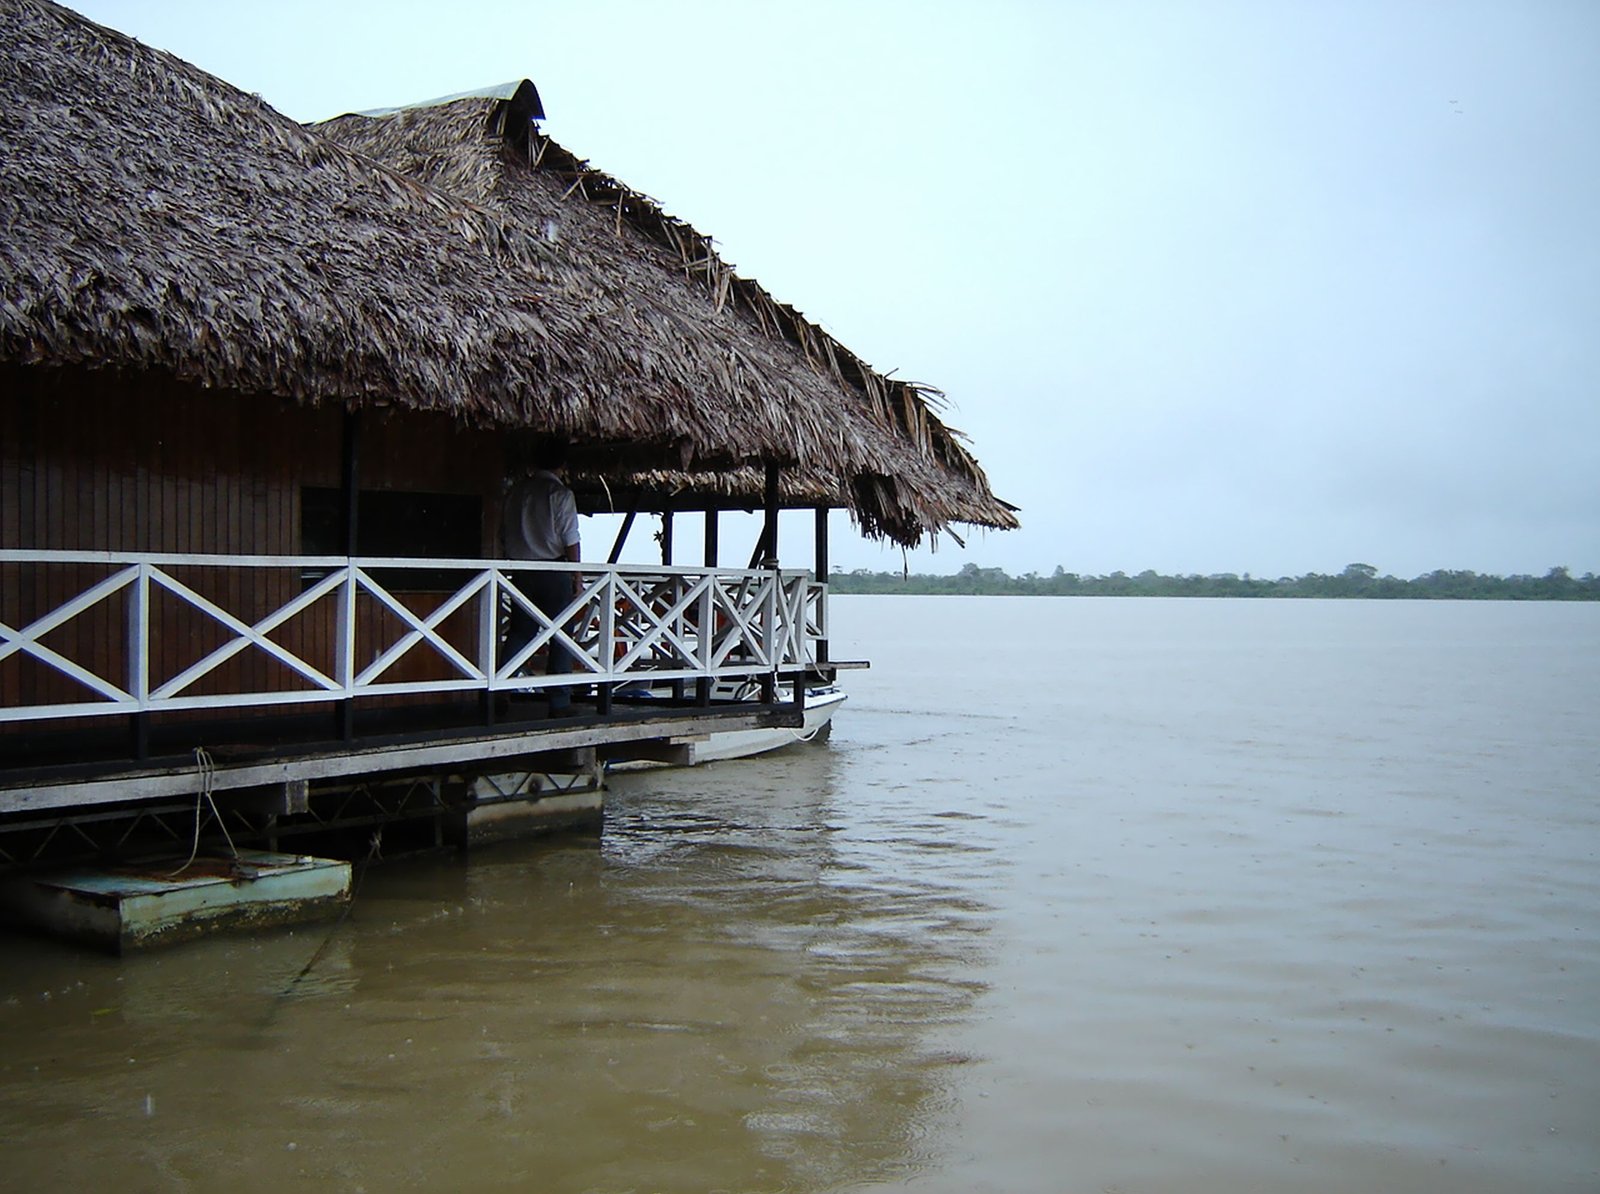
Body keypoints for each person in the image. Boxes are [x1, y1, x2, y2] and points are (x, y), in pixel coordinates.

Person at [501, 441, 582, 713]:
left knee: (521, 631)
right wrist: (577, 578)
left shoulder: (516, 493)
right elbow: (571, 540)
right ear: (562, 466)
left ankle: (500, 687)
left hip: (522, 571)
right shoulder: (560, 494)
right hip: (553, 571)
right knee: (561, 634)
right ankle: (559, 699)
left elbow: (503, 533)